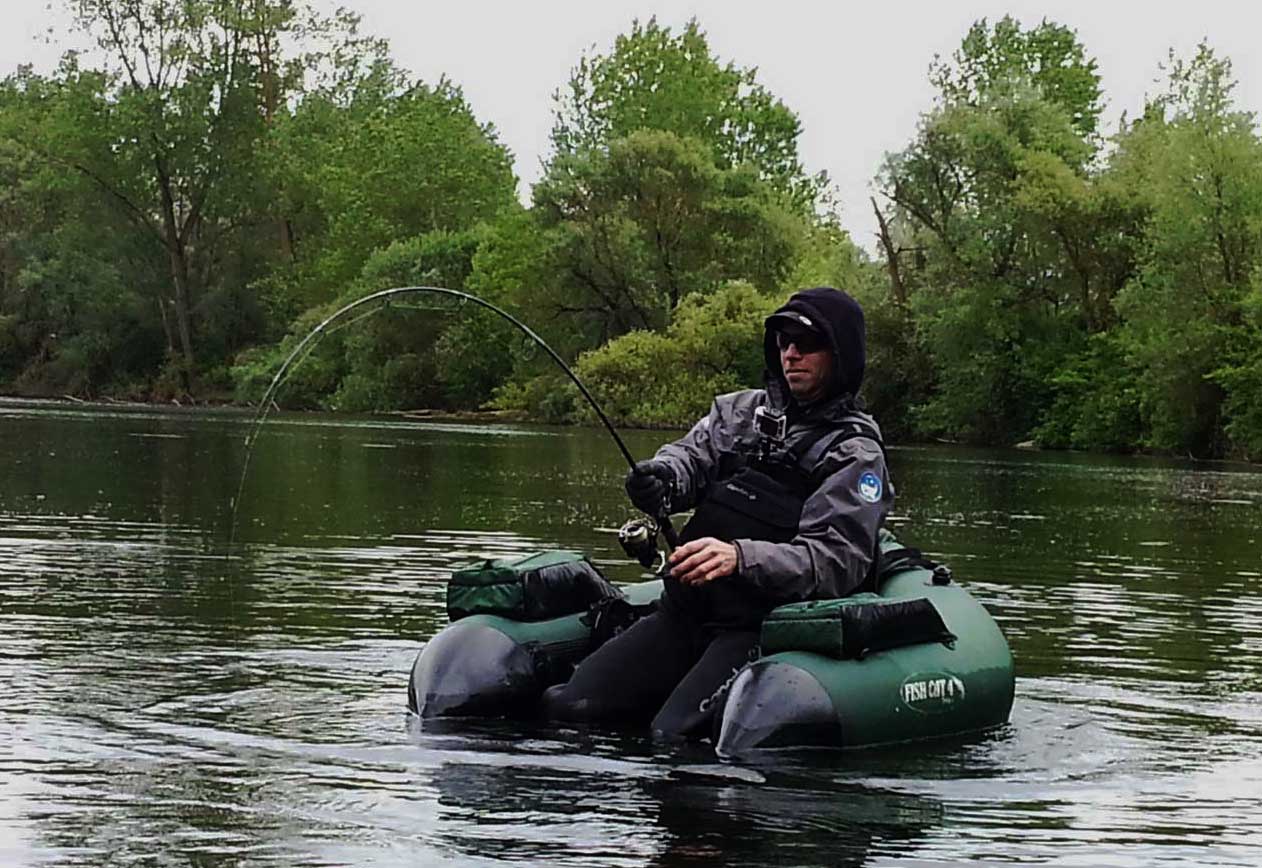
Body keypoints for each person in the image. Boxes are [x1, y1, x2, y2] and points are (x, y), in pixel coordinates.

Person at [542, 286, 894, 739]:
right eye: (784, 342)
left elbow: (834, 560)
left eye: (806, 344)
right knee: (572, 707)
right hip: (684, 614)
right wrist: (662, 480)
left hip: (757, 630)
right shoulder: (741, 413)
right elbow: (690, 457)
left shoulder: (855, 455)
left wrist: (739, 557)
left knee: (673, 738)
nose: (791, 354)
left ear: (840, 354)